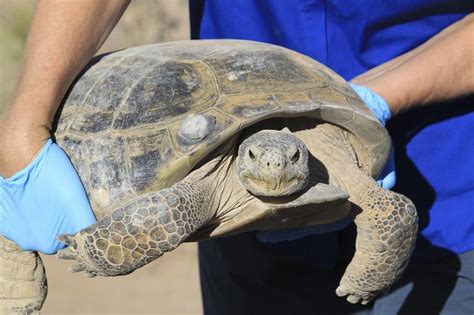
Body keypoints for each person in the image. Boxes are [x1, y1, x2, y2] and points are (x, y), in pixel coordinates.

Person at [0, 0, 472, 314]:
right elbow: (171, 208)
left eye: (287, 160)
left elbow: (391, 210)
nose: (273, 168)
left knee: (395, 220)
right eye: (259, 159)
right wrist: (22, 126)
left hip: (443, 176)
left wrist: (367, 101)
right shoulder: (206, 187)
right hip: (237, 224)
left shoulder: (332, 157)